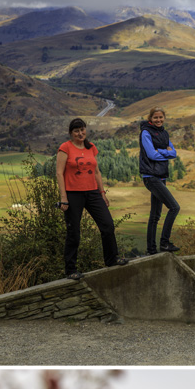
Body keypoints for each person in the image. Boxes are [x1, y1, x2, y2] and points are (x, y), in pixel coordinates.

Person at [56, 118, 128, 280]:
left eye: (82, 130)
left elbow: (97, 172)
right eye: (76, 131)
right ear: (71, 133)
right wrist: (63, 198)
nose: (80, 133)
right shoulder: (65, 148)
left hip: (93, 192)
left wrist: (102, 193)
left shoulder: (91, 147)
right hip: (73, 194)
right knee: (74, 232)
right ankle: (71, 269)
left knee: (108, 225)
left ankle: (111, 259)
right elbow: (59, 173)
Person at [138, 106, 180, 255]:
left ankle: (151, 250)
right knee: (174, 208)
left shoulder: (164, 133)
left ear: (164, 118)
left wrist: (160, 151)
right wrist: (165, 152)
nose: (158, 120)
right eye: (155, 117)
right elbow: (151, 155)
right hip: (151, 176)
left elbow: (174, 153)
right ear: (150, 118)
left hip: (161, 176)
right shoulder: (145, 133)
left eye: (161, 117)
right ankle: (164, 243)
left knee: (155, 215)